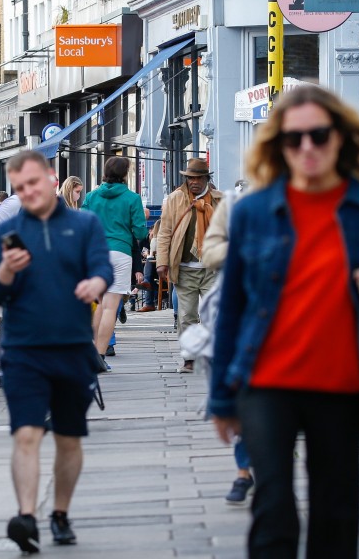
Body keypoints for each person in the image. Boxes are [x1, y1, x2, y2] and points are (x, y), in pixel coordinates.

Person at [210, 85, 359, 558]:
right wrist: (221, 398)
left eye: (319, 135)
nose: (308, 147)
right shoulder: (254, 211)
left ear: (340, 137)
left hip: (340, 383)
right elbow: (231, 308)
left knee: (335, 510)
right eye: (295, 139)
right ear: (279, 146)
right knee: (273, 506)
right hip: (265, 381)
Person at [0, 150, 113, 554]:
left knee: (69, 439)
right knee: (26, 434)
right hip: (23, 352)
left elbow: (103, 267)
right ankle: (26, 516)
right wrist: (5, 271)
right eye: (20, 188)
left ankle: (59, 512)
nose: (28, 192)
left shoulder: (84, 223)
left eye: (34, 183)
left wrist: (95, 284)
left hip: (72, 350)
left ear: (52, 178)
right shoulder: (7, 234)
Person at [201, 181, 254, 505]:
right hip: (245, 318)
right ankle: (244, 471)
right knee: (246, 398)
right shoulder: (236, 204)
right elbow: (210, 253)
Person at [156, 158, 224, 372]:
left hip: (212, 268)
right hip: (185, 267)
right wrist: (162, 262)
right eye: (190, 178)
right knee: (187, 316)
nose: (194, 182)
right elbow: (165, 231)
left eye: (198, 178)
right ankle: (189, 359)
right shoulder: (175, 199)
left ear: (206, 179)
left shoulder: (218, 200)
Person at [81, 157, 147, 365]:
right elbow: (140, 231)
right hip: (120, 252)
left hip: (96, 252)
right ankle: (99, 356)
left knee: (99, 304)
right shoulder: (132, 198)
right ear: (124, 174)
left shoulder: (91, 197)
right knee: (110, 307)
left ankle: (91, 352)